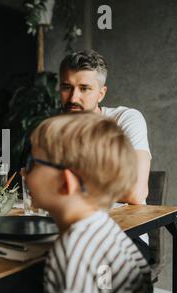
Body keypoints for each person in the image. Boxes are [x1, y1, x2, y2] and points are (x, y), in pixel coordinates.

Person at [23, 112, 153, 293]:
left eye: (32, 164)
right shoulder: (107, 234)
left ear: (66, 183)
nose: (23, 173)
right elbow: (104, 286)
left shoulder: (73, 255)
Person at [59, 49, 151, 205]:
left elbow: (135, 192)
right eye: (67, 87)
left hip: (124, 227)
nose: (73, 97)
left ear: (101, 94)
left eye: (84, 88)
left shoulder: (125, 120)